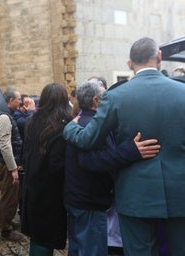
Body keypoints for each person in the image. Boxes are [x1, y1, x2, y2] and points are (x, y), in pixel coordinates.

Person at [63, 37, 185, 255]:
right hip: (180, 190)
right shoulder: (182, 92)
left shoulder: (115, 96)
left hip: (135, 194)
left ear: (129, 64)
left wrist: (69, 128)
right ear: (159, 57)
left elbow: (88, 139)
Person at [64, 81, 160, 256]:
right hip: (89, 201)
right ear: (97, 100)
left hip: (80, 198)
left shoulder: (82, 121)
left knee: (79, 247)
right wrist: (130, 151)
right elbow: (92, 161)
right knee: (91, 250)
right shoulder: (90, 125)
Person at [21, 83, 71, 255]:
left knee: (38, 237)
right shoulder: (61, 127)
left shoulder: (32, 121)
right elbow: (57, 166)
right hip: (50, 193)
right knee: (44, 239)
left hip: (33, 186)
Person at [0, 87, 24, 242]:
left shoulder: (1, 114)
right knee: (9, 197)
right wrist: (13, 168)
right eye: (18, 99)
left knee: (8, 195)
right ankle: (6, 229)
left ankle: (8, 221)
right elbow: (5, 145)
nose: (21, 102)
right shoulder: (4, 117)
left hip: (0, 162)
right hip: (5, 164)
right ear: (10, 100)